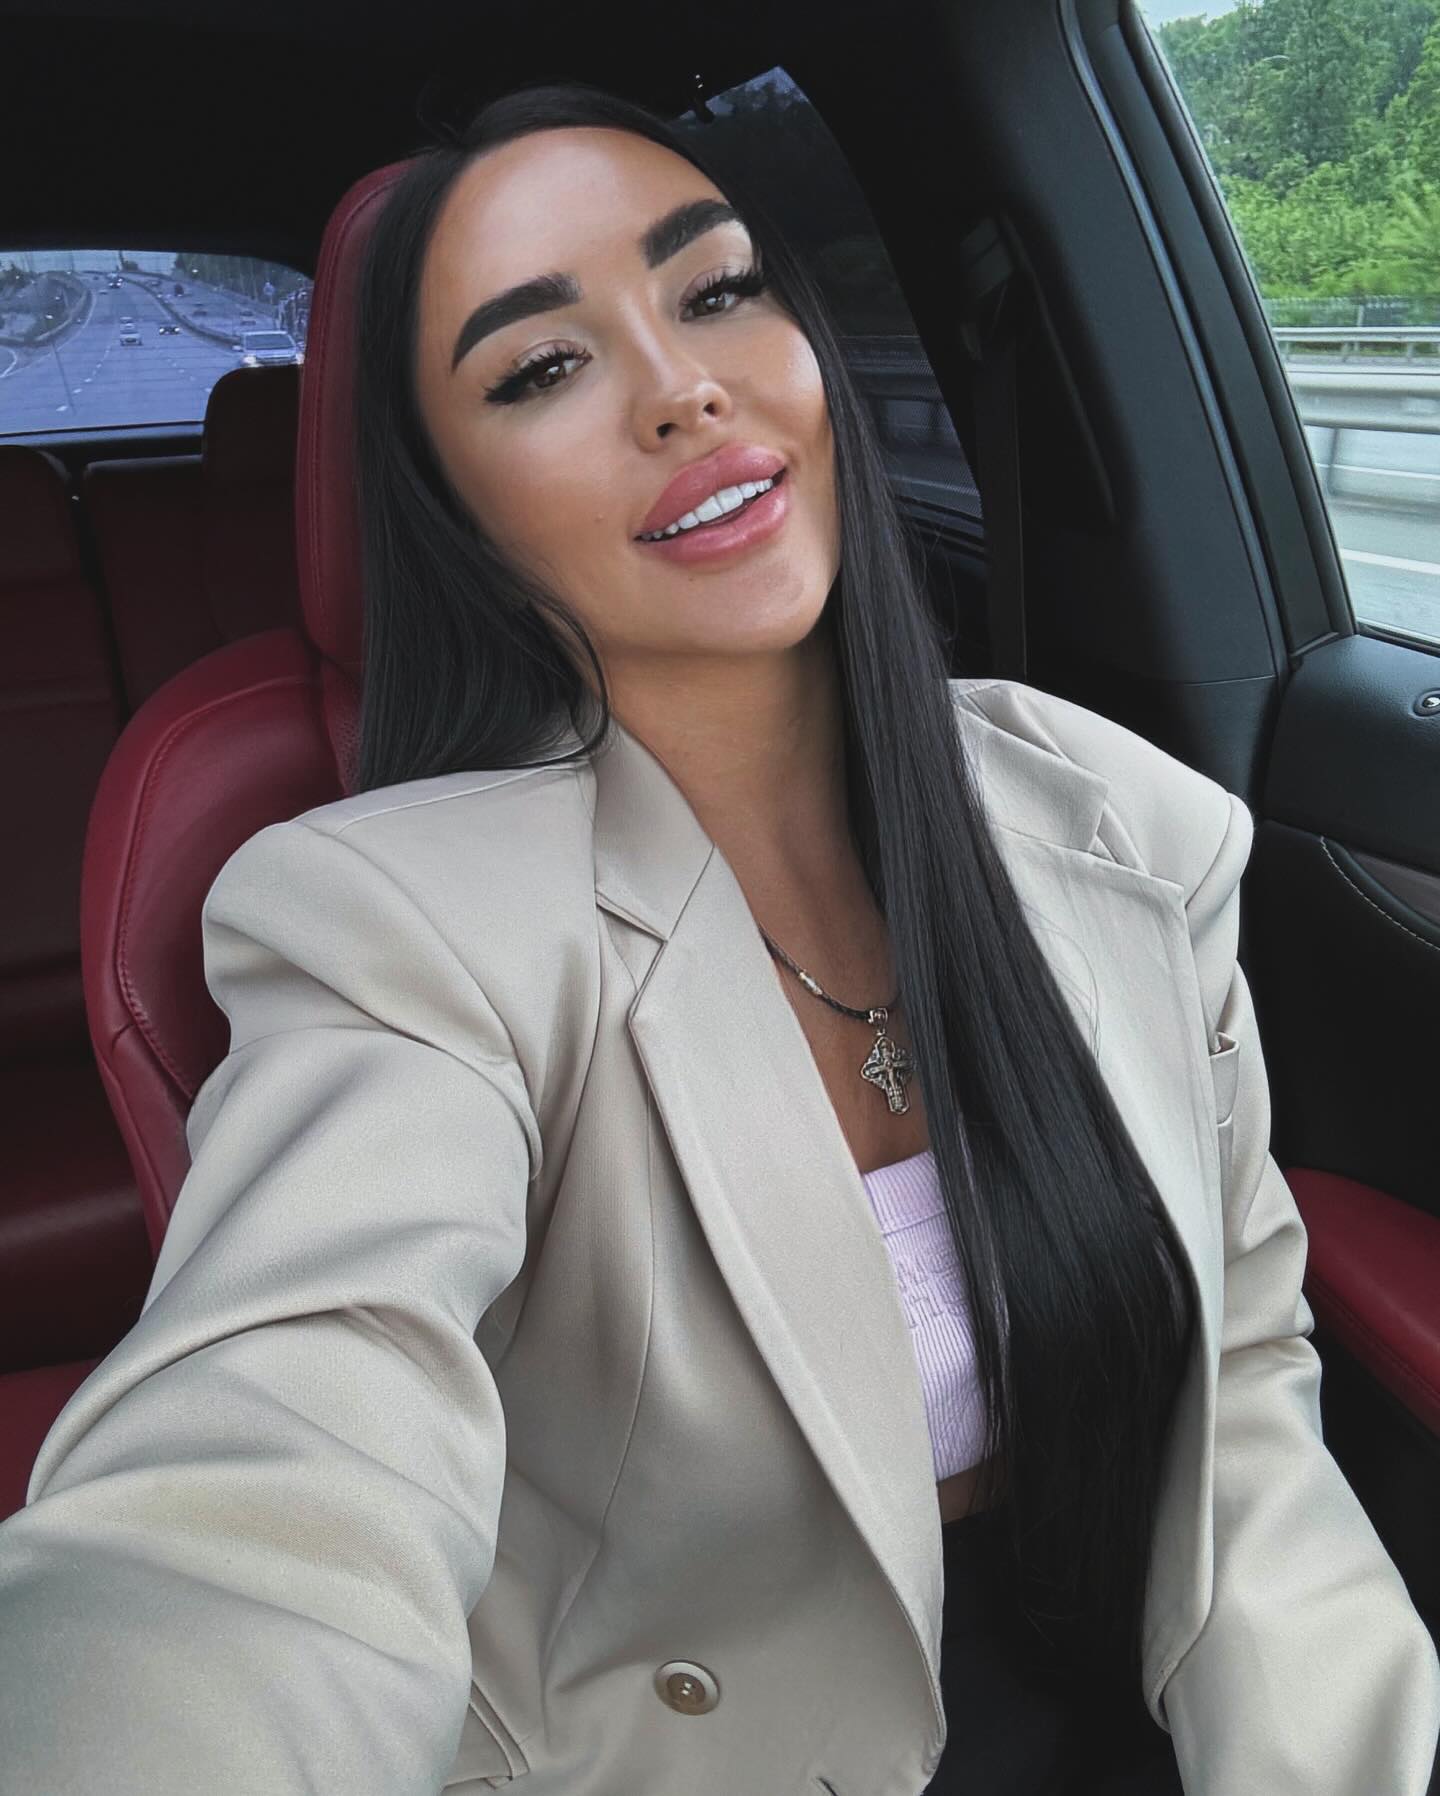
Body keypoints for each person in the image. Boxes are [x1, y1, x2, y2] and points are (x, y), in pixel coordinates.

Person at [1, 79, 1436, 1796]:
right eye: (542, 367)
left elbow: (1243, 1392)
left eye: (719, 288)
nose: (681, 386)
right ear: (455, 512)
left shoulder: (1124, 822)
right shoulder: (389, 929)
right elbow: (266, 1478)